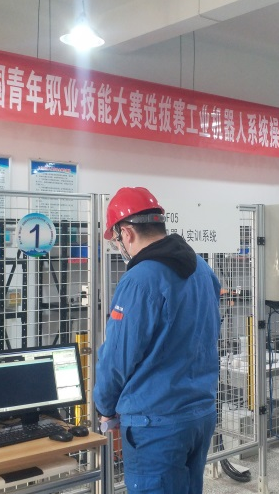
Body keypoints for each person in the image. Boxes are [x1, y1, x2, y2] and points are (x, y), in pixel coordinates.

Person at [94, 187, 221, 494]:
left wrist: (105, 406)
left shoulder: (139, 279)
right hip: (200, 414)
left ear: (126, 233)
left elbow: (118, 357)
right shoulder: (202, 269)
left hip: (155, 424)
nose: (119, 247)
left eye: (116, 240)